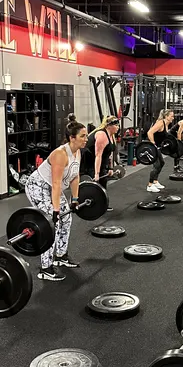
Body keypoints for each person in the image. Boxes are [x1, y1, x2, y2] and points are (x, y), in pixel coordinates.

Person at [25, 114, 88, 281]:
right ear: (72, 138)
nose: (86, 139)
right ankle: (45, 268)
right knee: (51, 224)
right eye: (83, 136)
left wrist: (75, 200)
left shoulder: (77, 153)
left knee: (66, 219)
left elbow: (75, 177)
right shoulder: (61, 154)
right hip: (38, 187)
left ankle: (61, 256)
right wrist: (55, 209)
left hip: (52, 188)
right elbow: (56, 183)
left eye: (86, 135)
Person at [82, 115, 119, 210]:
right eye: (116, 125)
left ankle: (102, 205)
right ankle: (90, 205)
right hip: (89, 160)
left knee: (103, 181)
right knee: (95, 183)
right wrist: (96, 173)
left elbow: (109, 153)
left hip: (100, 160)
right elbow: (98, 155)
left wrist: (110, 168)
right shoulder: (102, 135)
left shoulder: (112, 135)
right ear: (109, 126)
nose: (118, 127)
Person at [146, 109, 175, 193]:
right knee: (157, 165)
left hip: (157, 147)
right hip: (152, 146)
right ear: (166, 116)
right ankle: (150, 185)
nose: (173, 118)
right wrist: (152, 143)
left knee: (161, 163)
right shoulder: (160, 123)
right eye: (171, 116)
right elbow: (149, 132)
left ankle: (155, 181)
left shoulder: (166, 124)